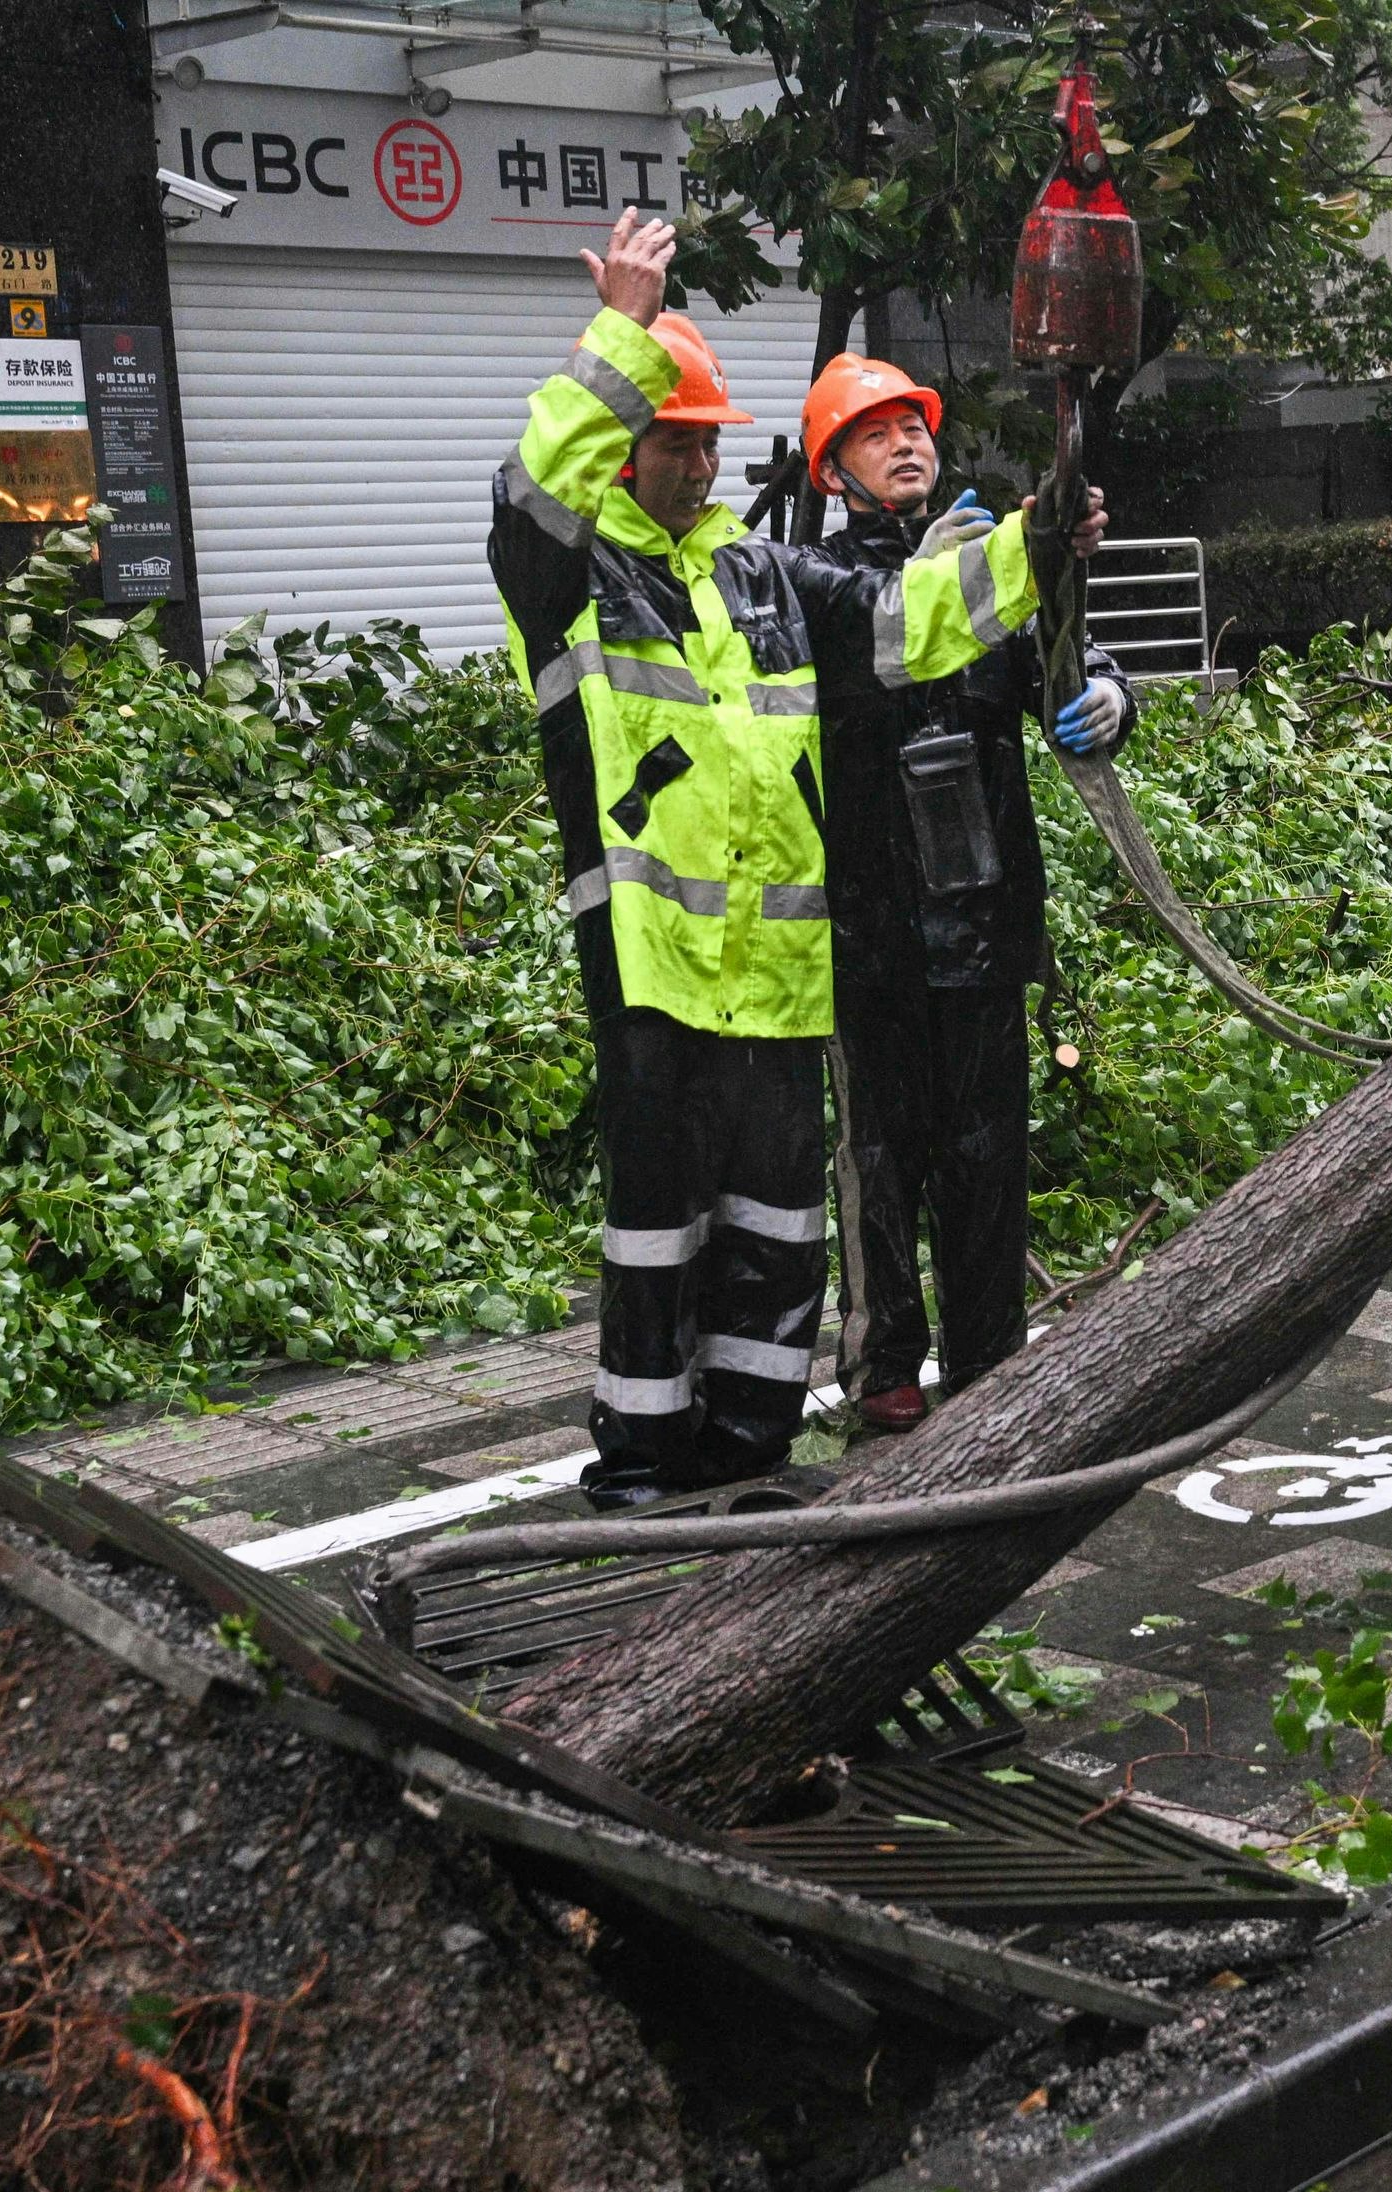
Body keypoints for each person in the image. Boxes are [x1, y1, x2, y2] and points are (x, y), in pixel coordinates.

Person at [492, 211, 1080, 1500]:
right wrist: (624, 338)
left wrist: (1032, 552)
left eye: (707, 442)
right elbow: (529, 484)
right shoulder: (570, 575)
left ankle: (751, 1458)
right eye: (674, 441)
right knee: (662, 1239)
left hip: (775, 975)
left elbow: (907, 621)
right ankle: (644, 1471)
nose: (697, 464)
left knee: (777, 1235)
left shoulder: (765, 576)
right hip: (654, 971)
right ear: (625, 446)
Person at [802, 352, 1133, 1434]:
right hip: (870, 927)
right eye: (874, 433)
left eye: (915, 428)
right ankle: (886, 1367)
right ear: (830, 472)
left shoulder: (997, 571)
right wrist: (1001, 560)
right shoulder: (810, 588)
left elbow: (1076, 659)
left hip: (985, 919)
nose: (906, 444)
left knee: (987, 1150)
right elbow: (893, 623)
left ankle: (990, 1360)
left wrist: (1105, 700)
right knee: (882, 1158)